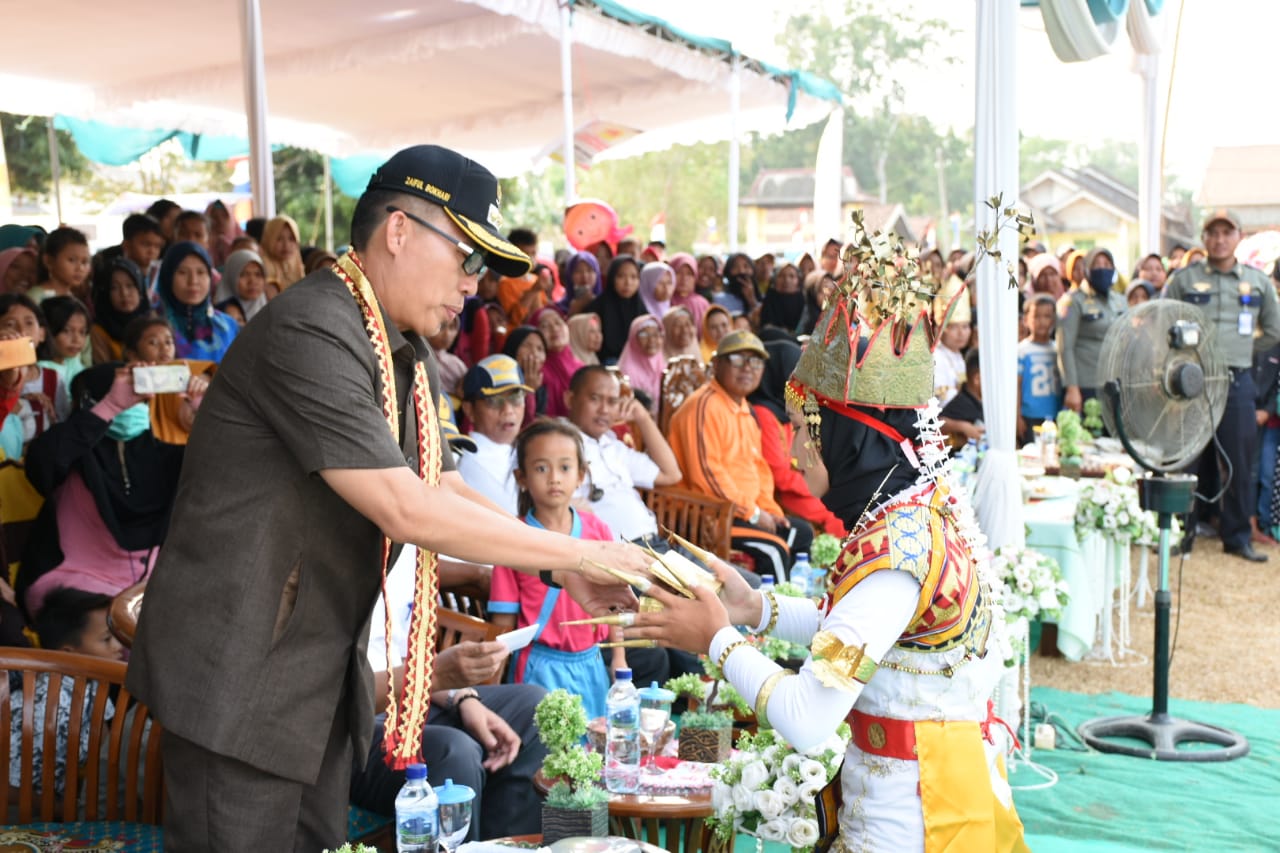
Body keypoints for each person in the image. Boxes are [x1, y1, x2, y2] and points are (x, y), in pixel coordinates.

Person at [124, 144, 648, 852]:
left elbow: (444, 484)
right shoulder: (310, 328)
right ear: (399, 232)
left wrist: (562, 566)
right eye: (468, 258)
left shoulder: (400, 347)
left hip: (311, 676)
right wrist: (579, 550)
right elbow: (405, 506)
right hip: (241, 675)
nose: (474, 283)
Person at [626, 236, 1029, 852]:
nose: (791, 452)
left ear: (846, 439)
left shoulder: (895, 556)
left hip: (913, 815)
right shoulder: (912, 516)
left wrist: (715, 638)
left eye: (801, 433)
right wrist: (756, 610)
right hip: (919, 787)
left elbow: (809, 717)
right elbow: (870, 637)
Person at [350, 542, 547, 841]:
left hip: (409, 698)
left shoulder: (404, 553)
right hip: (354, 723)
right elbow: (344, 691)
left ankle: (503, 847)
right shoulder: (337, 552)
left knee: (532, 707)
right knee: (453, 752)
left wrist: (461, 697)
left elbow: (406, 656)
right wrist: (436, 677)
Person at [17, 363, 196, 619]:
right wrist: (110, 407)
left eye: (140, 396)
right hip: (73, 589)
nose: (132, 405)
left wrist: (207, 412)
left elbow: (226, 475)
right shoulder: (74, 453)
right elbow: (41, 463)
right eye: (126, 394)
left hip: (148, 591)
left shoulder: (163, 456)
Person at [1166, 209, 1280, 562]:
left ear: (1238, 238)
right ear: (1203, 239)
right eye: (1212, 233)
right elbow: (1163, 322)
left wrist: (1242, 351)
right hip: (1191, 380)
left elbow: (1274, 331)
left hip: (1237, 380)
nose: (1219, 239)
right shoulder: (1184, 280)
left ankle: (1236, 537)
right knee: (1187, 459)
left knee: (1238, 460)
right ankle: (1181, 534)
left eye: (1226, 233)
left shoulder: (1258, 282)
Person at [489, 419, 622, 720]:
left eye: (564, 468)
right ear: (521, 477)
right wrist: (492, 693)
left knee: (591, 754)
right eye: (540, 468)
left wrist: (619, 657)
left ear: (581, 475)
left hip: (591, 664)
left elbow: (615, 604)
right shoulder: (511, 540)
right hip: (538, 668)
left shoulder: (597, 529)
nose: (554, 478)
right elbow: (503, 623)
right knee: (546, 756)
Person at [667, 330, 813, 581]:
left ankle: (796, 602)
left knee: (801, 533)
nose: (748, 368)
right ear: (716, 364)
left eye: (756, 362)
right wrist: (754, 514)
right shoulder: (704, 405)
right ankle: (774, 617)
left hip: (740, 511)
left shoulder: (744, 409)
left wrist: (769, 510)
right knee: (774, 550)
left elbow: (758, 470)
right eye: (737, 359)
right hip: (709, 515)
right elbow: (708, 476)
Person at [565, 364, 681, 543]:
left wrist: (643, 418)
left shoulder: (613, 447)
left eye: (612, 402)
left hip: (655, 544)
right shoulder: (557, 444)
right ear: (570, 399)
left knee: (729, 571)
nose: (604, 410)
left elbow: (671, 474)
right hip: (619, 554)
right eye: (595, 399)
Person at [747, 340, 845, 538]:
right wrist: (814, 488)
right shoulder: (764, 414)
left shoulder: (780, 409)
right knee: (836, 515)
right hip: (785, 494)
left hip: (798, 485)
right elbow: (779, 474)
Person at [457, 355, 531, 514]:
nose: (508, 410)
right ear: (469, 409)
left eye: (516, 398)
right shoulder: (466, 462)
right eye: (494, 401)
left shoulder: (528, 450)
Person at [1057, 248, 1127, 413]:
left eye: (1107, 264)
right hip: (1086, 384)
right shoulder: (1072, 301)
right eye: (1096, 264)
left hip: (1115, 381)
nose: (1103, 268)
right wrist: (1072, 387)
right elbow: (1064, 347)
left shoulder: (1120, 301)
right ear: (1087, 269)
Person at [155, 241, 240, 363]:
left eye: (201, 272)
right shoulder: (151, 326)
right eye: (182, 272)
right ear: (167, 277)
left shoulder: (228, 326)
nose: (193, 281)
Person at [1016, 294, 1062, 445]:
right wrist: (1017, 416)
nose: (1042, 322)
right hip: (1029, 415)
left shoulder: (1058, 349)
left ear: (1054, 320)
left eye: (1047, 316)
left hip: (1055, 414)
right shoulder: (1022, 350)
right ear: (1026, 320)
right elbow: (1016, 386)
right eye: (1036, 316)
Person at [584, 255, 645, 365]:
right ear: (612, 277)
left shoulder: (641, 309)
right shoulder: (597, 308)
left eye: (634, 277)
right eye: (621, 276)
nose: (628, 283)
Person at [90, 258, 150, 364]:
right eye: (114, 288)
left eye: (130, 285)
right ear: (106, 294)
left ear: (140, 289)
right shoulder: (99, 331)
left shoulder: (153, 323)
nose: (124, 293)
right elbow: (102, 372)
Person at [531, 306, 582, 419]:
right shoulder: (535, 372)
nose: (554, 329)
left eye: (558, 322)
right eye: (545, 326)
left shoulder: (581, 367)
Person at [28, 227, 92, 309]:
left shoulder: (72, 298)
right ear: (49, 261)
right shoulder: (36, 297)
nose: (80, 268)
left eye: (84, 262)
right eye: (71, 260)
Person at [36, 296, 90, 388]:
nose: (77, 340)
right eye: (66, 331)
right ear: (47, 331)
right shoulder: (41, 370)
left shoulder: (72, 360)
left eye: (82, 332)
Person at [616, 314, 666, 413]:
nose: (651, 340)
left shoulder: (663, 364)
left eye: (656, 334)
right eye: (644, 335)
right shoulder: (625, 371)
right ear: (633, 338)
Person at [503, 325, 548, 427]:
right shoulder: (499, 377)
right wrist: (527, 389)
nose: (534, 353)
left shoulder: (541, 386)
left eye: (540, 349)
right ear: (513, 348)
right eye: (527, 345)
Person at [213, 248, 268, 326]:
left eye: (258, 274)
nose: (252, 282)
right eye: (244, 274)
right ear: (231, 277)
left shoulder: (269, 312)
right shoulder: (218, 317)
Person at [259, 214, 306, 294]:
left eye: (291, 239)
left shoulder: (297, 264)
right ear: (269, 239)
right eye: (279, 239)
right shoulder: (259, 269)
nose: (286, 245)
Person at [758, 262, 805, 335]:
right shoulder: (770, 298)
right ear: (775, 280)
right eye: (782, 276)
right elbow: (766, 325)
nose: (786, 280)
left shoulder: (804, 301)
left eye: (792, 276)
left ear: (798, 280)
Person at [667, 252, 710, 331]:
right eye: (678, 272)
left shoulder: (703, 304)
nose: (684, 278)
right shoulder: (664, 301)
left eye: (689, 274)